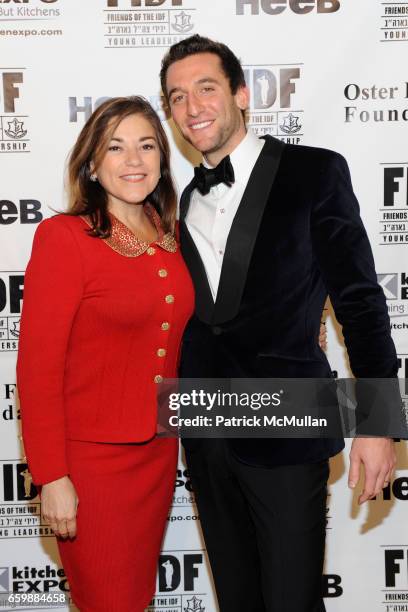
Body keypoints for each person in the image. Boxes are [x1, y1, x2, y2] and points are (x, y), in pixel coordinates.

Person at [160, 35, 398, 612]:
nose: (192, 106)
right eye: (176, 96)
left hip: (288, 425)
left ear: (242, 95)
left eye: (207, 88)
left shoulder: (313, 172)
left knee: (292, 602)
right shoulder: (173, 204)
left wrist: (378, 422)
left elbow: (360, 300)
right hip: (204, 429)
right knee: (237, 601)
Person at [16, 96, 194, 611]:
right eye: (115, 148)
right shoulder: (64, 238)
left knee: (134, 598)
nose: (133, 160)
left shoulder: (172, 239)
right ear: (92, 164)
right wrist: (51, 475)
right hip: (90, 467)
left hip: (157, 455)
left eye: (146, 146)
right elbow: (37, 367)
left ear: (162, 159)